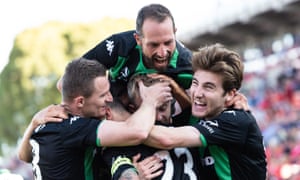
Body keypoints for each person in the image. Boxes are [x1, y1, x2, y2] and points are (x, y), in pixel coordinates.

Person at [17, 58, 172, 180]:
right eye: (103, 95)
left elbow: (24, 156)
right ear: (80, 102)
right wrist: (151, 100)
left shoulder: (49, 121)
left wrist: (34, 123)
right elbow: (137, 131)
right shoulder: (74, 127)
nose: (110, 98)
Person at [144, 44, 267, 180]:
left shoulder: (237, 120)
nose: (197, 93)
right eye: (195, 83)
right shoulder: (202, 115)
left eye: (208, 87)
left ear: (230, 95)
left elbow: (166, 139)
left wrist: (122, 126)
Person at [56, 3, 193, 107]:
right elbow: (65, 84)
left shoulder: (187, 62)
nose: (163, 53)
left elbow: (199, 107)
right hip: (113, 115)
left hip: (165, 125)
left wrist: (174, 88)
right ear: (138, 39)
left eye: (168, 42)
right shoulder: (120, 46)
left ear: (175, 32)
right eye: (154, 45)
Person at [102, 73, 200, 180]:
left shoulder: (183, 124)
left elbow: (188, 107)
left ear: (171, 102)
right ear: (133, 109)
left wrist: (174, 87)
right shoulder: (119, 147)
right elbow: (122, 171)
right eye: (151, 109)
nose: (158, 117)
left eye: (163, 108)